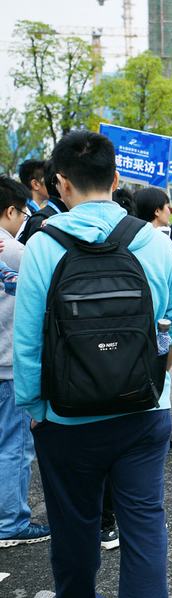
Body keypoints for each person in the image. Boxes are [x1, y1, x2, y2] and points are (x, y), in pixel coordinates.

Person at [14, 129, 172, 598]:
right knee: (144, 527)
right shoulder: (155, 241)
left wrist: (36, 409)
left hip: (65, 419)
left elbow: (28, 345)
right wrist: (154, 386)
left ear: (58, 184)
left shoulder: (44, 246)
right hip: (142, 414)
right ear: (116, 179)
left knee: (73, 521)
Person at [0, 176, 51, 549]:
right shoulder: (15, 252)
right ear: (10, 211)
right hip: (7, 363)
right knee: (14, 446)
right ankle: (10, 522)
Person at [18, 161, 68, 244]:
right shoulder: (28, 215)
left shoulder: (36, 212)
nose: (52, 183)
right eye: (48, 179)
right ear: (35, 184)